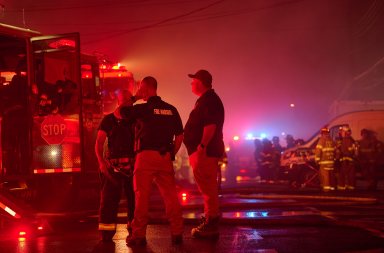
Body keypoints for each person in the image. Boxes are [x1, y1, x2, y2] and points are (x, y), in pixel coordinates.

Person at [122, 76, 184, 246]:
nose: (140, 91)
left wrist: (134, 97)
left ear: (147, 89)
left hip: (145, 157)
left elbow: (122, 112)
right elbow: (180, 135)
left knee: (141, 197)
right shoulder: (171, 109)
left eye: (141, 88)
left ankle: (139, 235)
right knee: (171, 196)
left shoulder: (143, 109)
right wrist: (171, 153)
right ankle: (177, 232)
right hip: (164, 157)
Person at [184, 69, 225, 239]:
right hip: (204, 151)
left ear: (200, 82)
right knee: (207, 188)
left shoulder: (209, 101)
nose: (191, 84)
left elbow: (210, 127)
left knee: (208, 188)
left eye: (193, 81)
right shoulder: (207, 100)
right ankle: (209, 219)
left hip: (205, 152)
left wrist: (201, 147)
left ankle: (211, 224)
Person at [95, 89, 136, 242]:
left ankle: (133, 230)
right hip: (113, 168)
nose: (128, 103)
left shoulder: (134, 119)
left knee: (134, 201)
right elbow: (98, 143)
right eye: (125, 100)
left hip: (132, 166)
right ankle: (106, 234)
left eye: (130, 101)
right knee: (108, 201)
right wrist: (101, 163)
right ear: (118, 101)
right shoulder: (108, 120)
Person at [315, 127, 336, 192]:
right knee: (331, 175)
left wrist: (317, 160)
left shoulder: (321, 140)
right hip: (331, 162)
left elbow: (318, 152)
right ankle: (332, 188)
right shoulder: (332, 140)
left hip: (324, 163)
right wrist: (334, 159)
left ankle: (326, 190)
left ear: (322, 133)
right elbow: (336, 151)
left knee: (325, 176)